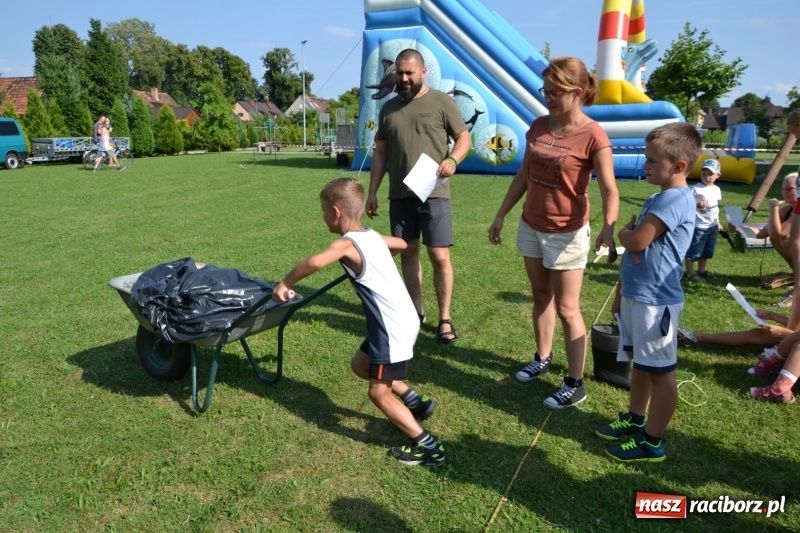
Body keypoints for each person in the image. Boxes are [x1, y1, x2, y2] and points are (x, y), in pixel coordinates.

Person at [273, 177, 444, 467]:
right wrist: (376, 255)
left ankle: (429, 447)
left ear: (336, 212)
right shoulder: (372, 237)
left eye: (323, 210)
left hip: (391, 328)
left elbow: (313, 263)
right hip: (401, 321)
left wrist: (284, 283)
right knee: (361, 365)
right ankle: (416, 401)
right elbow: (401, 243)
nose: (323, 216)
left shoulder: (345, 244)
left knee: (378, 393)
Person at [488, 56, 619, 409]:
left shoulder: (593, 135)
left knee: (567, 308)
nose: (547, 97)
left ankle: (575, 383)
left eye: (555, 92)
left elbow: (609, 188)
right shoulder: (538, 126)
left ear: (577, 92)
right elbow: (523, 176)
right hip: (532, 224)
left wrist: (608, 227)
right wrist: (501, 215)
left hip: (567, 232)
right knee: (540, 297)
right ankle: (542, 357)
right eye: (544, 91)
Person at [595, 122, 701, 462]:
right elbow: (642, 251)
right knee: (642, 364)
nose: (646, 166)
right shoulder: (661, 196)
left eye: (653, 161)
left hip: (657, 303)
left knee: (661, 372)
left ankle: (652, 441)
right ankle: (636, 418)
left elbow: (638, 241)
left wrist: (625, 232)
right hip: (639, 296)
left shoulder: (673, 199)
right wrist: (623, 287)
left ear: (679, 166)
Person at [366, 48, 472, 344]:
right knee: (408, 252)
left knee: (439, 255)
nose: (404, 78)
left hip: (434, 192)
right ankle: (416, 311)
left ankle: (445, 317)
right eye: (399, 73)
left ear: (423, 72)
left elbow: (464, 138)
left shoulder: (441, 102)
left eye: (409, 73)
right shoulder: (387, 109)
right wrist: (373, 191)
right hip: (400, 195)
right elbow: (381, 152)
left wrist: (453, 159)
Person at [684, 159, 723, 282]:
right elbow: (686, 205)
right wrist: (696, 205)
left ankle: (702, 271)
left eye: (710, 174)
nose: (706, 177)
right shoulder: (695, 189)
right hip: (698, 226)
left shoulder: (716, 189)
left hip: (711, 226)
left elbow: (715, 208)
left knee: (706, 251)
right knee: (694, 250)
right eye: (704, 173)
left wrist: (718, 222)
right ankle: (690, 273)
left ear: (718, 175)